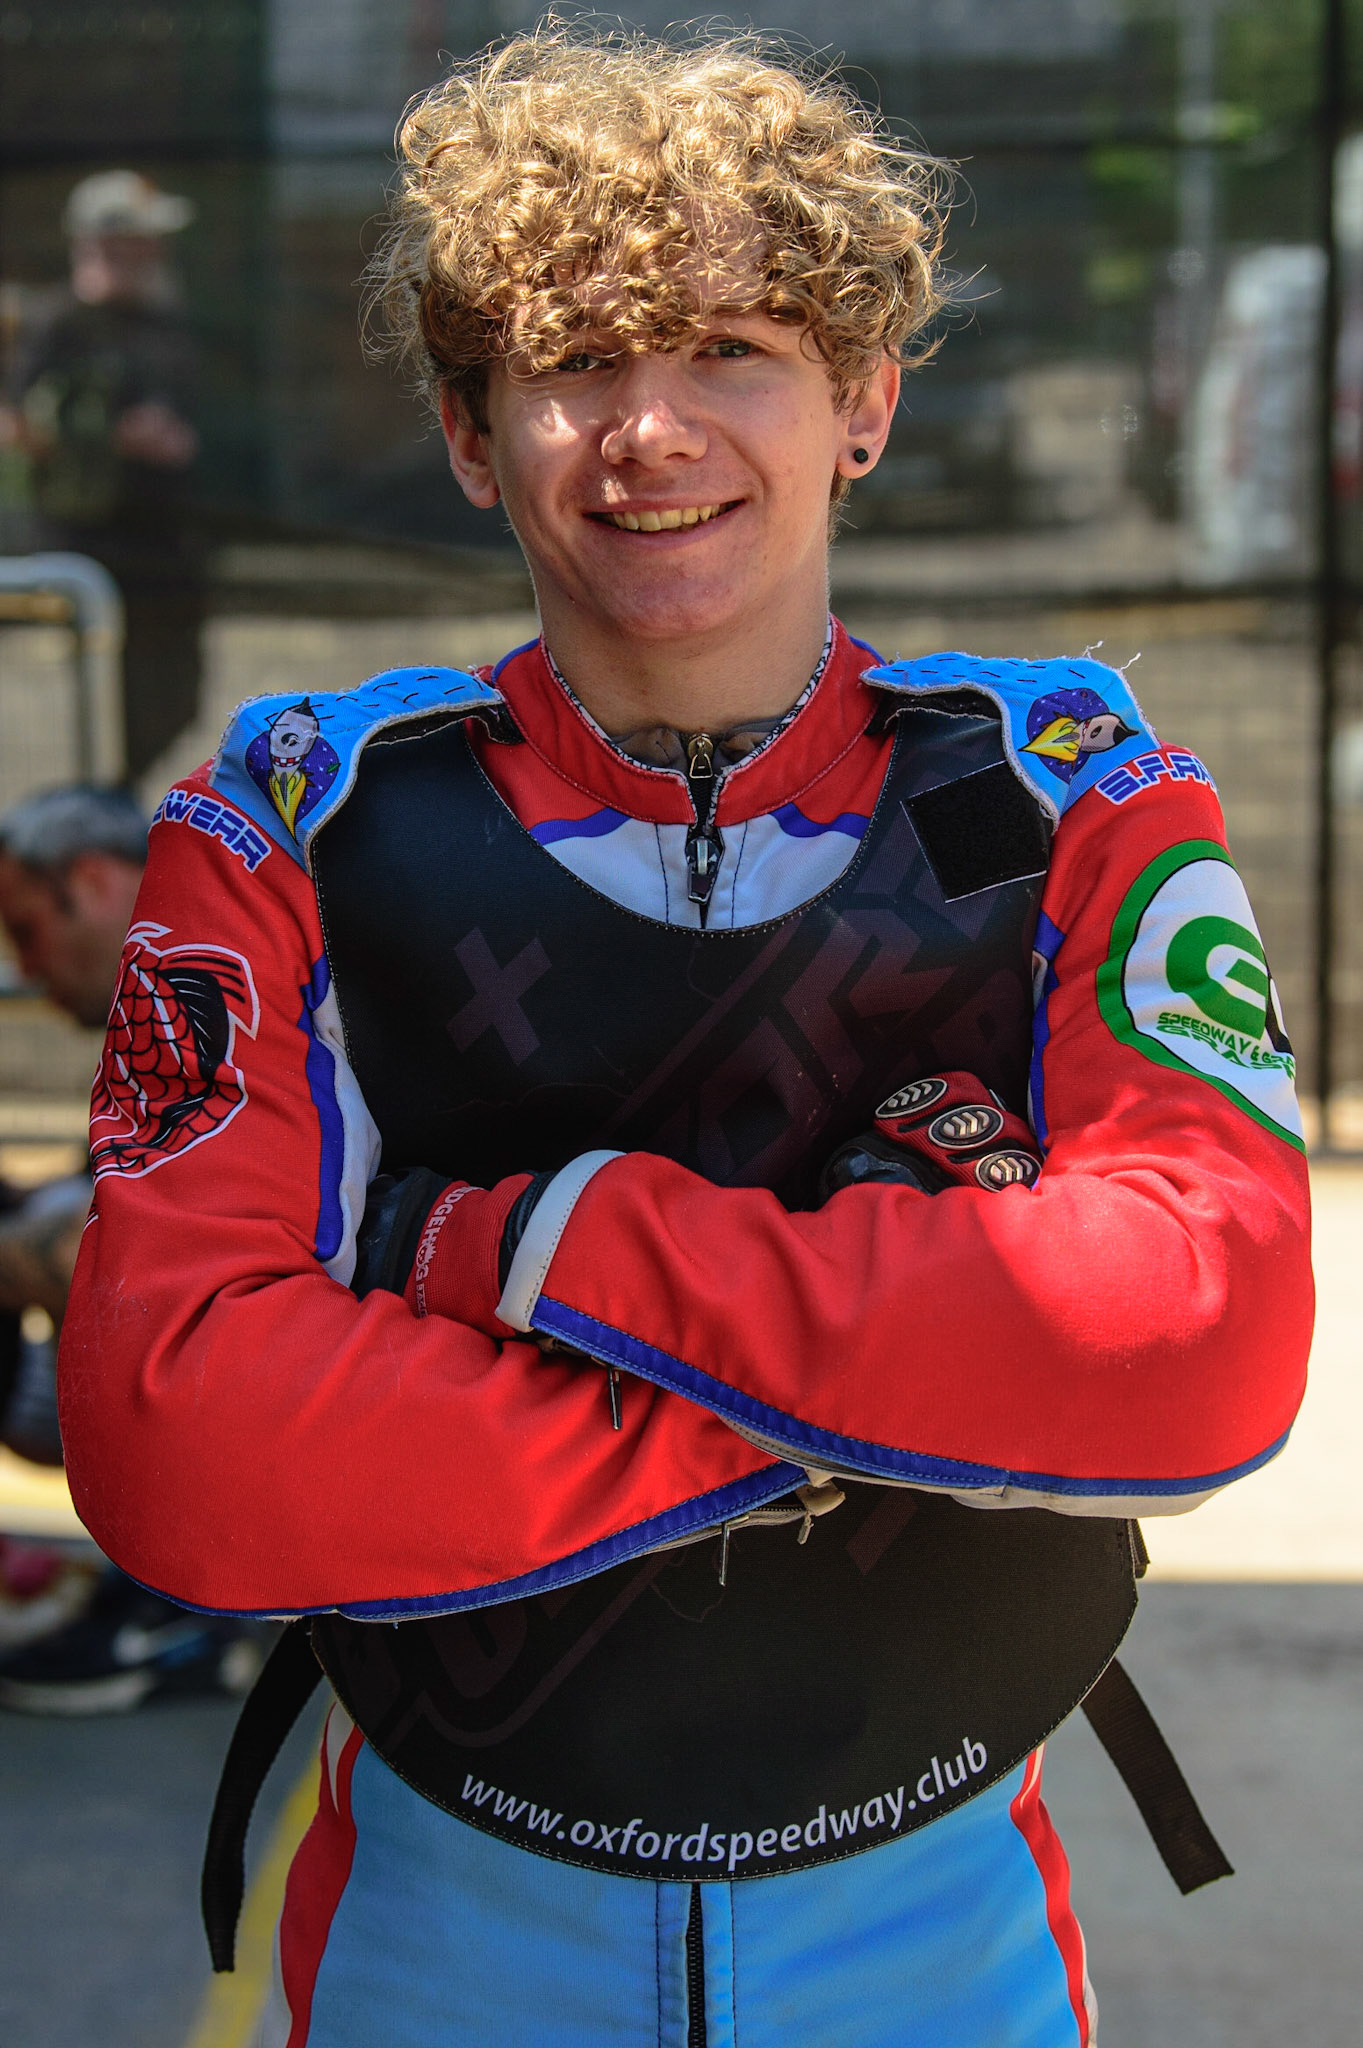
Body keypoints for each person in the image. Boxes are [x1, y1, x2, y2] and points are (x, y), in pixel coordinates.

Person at [58, 28, 1312, 2046]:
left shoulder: (1066, 786)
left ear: (864, 401)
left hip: (938, 1917)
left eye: (730, 345)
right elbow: (180, 1440)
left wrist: (519, 1255)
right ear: (474, 433)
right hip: (434, 1916)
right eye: (572, 362)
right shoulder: (298, 819)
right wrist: (906, 1401)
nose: (650, 427)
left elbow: (1193, 1336)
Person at [0, 784, 262, 1712]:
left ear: (95, 881)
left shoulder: (219, 958)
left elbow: (152, 1219)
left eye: (27, 929)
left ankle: (190, 1606)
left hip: (354, 1302)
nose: (27, 968)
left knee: (90, 1255)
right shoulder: (159, 998)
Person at [8, 171, 203, 779]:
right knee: (93, 712)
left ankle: (117, 801)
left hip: (164, 549)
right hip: (86, 550)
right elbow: (20, 423)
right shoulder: (56, 323)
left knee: (175, 703)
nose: (152, 252)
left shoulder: (163, 323)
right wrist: (116, 438)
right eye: (139, 239)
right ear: (103, 244)